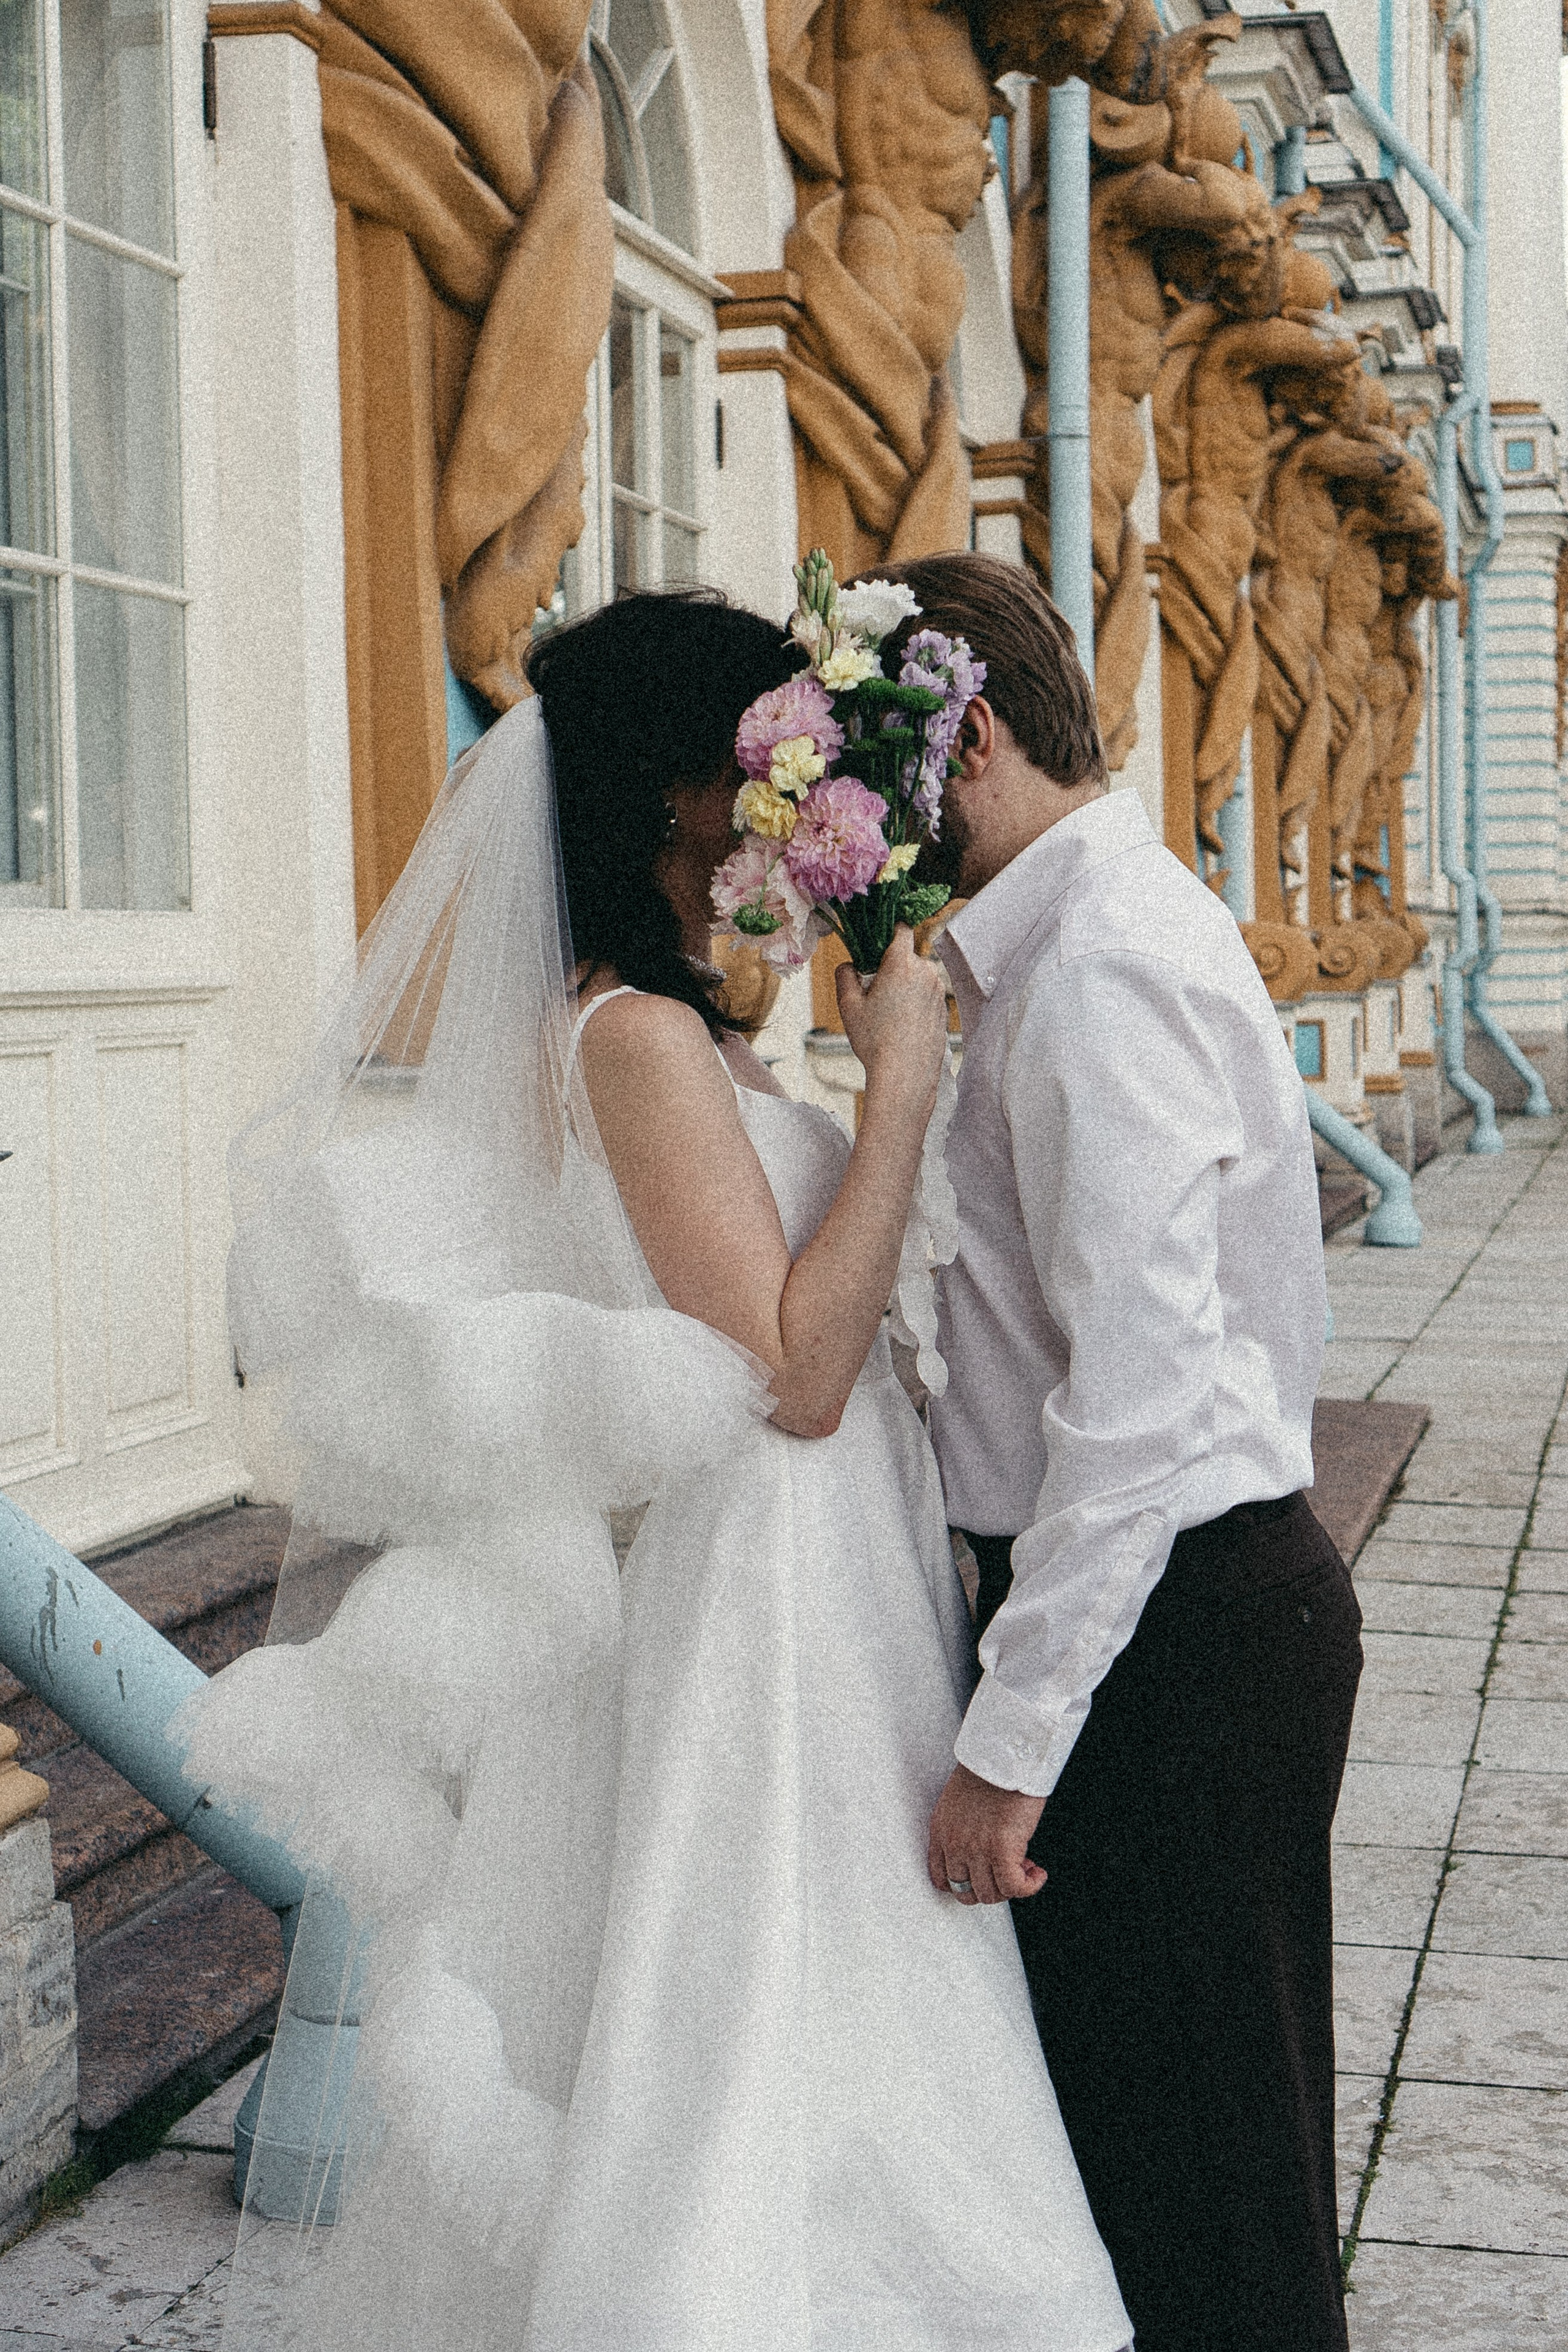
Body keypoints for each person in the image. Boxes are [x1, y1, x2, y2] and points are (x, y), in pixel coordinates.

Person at [181, 590, 1130, 2351]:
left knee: (838, 1989)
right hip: (772, 1579)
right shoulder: (629, 1034)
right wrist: (900, 1087)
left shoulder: (688, 1023)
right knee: (779, 1983)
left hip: (830, 1572)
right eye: (761, 749)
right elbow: (784, 1376)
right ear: (677, 791)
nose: (792, 776)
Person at [889, 552, 1364, 2352]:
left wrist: (1011, 1746)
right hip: (1180, 1616)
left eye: (877, 777)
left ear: (976, 734)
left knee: (1209, 2208)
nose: (862, 829)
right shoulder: (1075, 936)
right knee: (1183, 2179)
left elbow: (1144, 1403)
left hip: (1171, 1632)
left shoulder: (1092, 968)